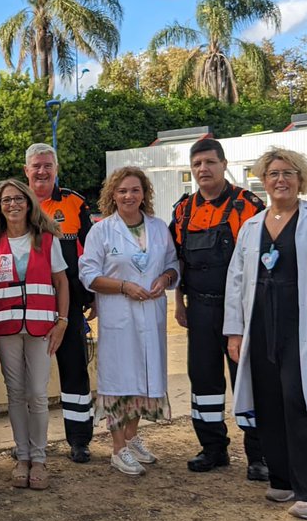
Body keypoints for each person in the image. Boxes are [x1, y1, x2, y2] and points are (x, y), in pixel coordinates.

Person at [224, 147, 307, 520]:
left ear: (301, 179)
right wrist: (234, 333)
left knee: (300, 405)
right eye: (273, 174)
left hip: (305, 328)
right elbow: (236, 282)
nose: (280, 180)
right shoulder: (252, 226)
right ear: (262, 180)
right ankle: (282, 480)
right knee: (268, 404)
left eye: (288, 173)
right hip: (262, 327)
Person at [171, 138, 268, 480]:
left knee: (248, 381)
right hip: (199, 310)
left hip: (242, 312)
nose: (203, 170)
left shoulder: (248, 205)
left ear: (224, 164)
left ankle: (259, 455)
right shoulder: (183, 210)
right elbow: (179, 260)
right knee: (204, 382)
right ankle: (213, 449)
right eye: (197, 164)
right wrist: (179, 302)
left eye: (210, 162)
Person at [79, 167, 179, 476]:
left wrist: (165, 277)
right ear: (112, 194)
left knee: (142, 378)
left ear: (144, 194)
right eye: (122, 190)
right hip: (118, 315)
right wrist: (123, 286)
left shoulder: (159, 228)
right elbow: (88, 275)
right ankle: (118, 448)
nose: (129, 196)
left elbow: (174, 265)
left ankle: (132, 438)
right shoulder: (102, 230)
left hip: (150, 313)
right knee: (119, 380)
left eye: (135, 190)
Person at [0, 179, 69, 490]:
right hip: (5, 329)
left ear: (28, 202)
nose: (13, 204)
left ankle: (40, 458)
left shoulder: (46, 239)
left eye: (18, 198)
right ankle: (22, 456)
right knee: (15, 394)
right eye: (6, 200)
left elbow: (61, 283)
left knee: (37, 393)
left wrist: (62, 321)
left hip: (41, 327)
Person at [23, 143, 95, 462]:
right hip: (26, 307)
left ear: (56, 168)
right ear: (26, 170)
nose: (42, 171)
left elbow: (92, 254)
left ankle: (79, 440)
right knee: (26, 378)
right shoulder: (14, 202)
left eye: (47, 165)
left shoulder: (74, 203)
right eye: (36, 165)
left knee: (75, 371)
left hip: (69, 307)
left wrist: (91, 297)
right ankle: (26, 442)